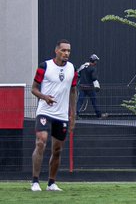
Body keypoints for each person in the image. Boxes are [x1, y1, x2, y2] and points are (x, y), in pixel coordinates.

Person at [30, 39, 77, 192]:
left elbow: (72, 91)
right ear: (56, 51)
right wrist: (45, 97)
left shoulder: (72, 69)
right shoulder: (45, 66)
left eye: (68, 51)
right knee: (41, 142)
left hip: (62, 115)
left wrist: (73, 115)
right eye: (63, 50)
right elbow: (34, 89)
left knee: (57, 150)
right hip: (45, 111)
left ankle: (51, 183)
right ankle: (35, 181)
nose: (66, 53)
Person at [76, 54, 106, 119]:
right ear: (94, 61)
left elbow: (78, 74)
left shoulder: (83, 66)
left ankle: (76, 114)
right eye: (96, 61)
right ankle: (99, 115)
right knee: (94, 101)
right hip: (90, 88)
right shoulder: (93, 68)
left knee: (80, 101)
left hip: (82, 87)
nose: (96, 62)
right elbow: (94, 78)